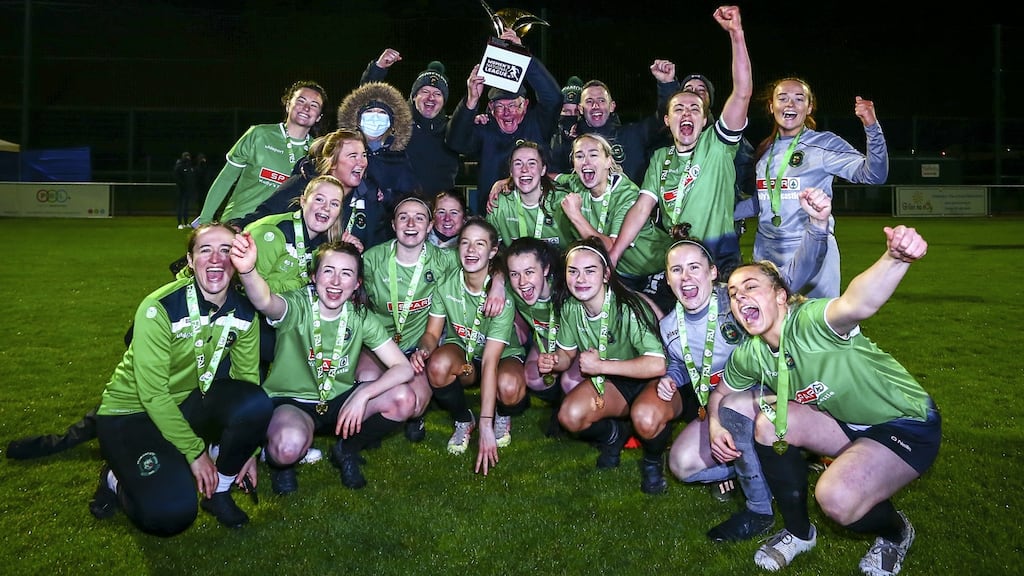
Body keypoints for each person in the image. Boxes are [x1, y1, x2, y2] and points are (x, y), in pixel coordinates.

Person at [720, 225, 937, 575]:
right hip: (846, 422)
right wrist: (717, 425)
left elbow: (856, 303)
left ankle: (896, 532)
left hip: (904, 422)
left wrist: (894, 259)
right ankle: (798, 533)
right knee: (769, 424)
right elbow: (724, 392)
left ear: (780, 296)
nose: (740, 298)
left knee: (835, 497)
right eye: (733, 293)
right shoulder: (751, 353)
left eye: (750, 287)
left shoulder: (809, 321)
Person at [630, 190, 830, 541]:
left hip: (768, 395)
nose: (686, 277)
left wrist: (816, 225)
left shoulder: (736, 300)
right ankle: (749, 468)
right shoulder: (668, 326)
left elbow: (792, 279)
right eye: (676, 270)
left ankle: (761, 505)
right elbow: (682, 364)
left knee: (736, 408)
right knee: (682, 464)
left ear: (712, 273)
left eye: (695, 267)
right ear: (667, 278)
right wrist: (672, 381)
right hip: (717, 406)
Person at [88, 223, 274, 535]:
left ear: (237, 259)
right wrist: (196, 453)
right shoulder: (158, 308)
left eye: (226, 250)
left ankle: (221, 491)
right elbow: (153, 395)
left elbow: (246, 382)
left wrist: (249, 450)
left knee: (255, 402)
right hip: (131, 415)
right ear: (189, 260)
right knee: (171, 515)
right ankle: (115, 478)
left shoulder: (244, 312)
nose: (216, 258)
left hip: (186, 404)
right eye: (205, 250)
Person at [230, 236, 415, 492]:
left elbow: (403, 367)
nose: (336, 282)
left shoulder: (360, 316)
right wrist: (248, 270)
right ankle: (282, 464)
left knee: (404, 398)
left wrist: (364, 392)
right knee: (287, 447)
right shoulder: (298, 306)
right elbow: (265, 301)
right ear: (314, 276)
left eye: (347, 273)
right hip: (293, 402)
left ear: (357, 283)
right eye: (328, 271)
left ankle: (346, 449)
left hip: (339, 399)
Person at [610, 6, 751, 280]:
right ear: (667, 120)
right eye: (679, 109)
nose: (687, 113)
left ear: (704, 119)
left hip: (719, 258)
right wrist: (614, 255)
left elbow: (743, 93)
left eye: (694, 109)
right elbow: (641, 208)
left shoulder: (717, 145)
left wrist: (736, 34)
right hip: (678, 259)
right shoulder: (660, 157)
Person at [752, 77, 889, 297]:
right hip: (767, 252)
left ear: (809, 108)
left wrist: (872, 128)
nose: (790, 104)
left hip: (811, 249)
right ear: (771, 106)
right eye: (782, 98)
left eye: (799, 99)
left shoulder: (824, 145)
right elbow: (761, 203)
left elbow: (874, 175)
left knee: (816, 325)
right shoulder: (764, 150)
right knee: (772, 328)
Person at [538, 238, 666, 470]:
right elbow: (567, 354)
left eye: (590, 271)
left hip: (649, 380)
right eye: (573, 271)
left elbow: (658, 364)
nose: (580, 279)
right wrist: (555, 361)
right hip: (612, 381)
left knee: (646, 418)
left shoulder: (627, 307)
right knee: (569, 416)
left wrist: (601, 367)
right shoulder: (570, 307)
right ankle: (613, 434)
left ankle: (653, 460)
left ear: (606, 274)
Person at [413, 218, 525, 475]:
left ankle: (500, 413)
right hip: (464, 352)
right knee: (438, 365)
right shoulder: (446, 283)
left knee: (508, 386)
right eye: (465, 243)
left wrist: (487, 425)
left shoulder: (501, 296)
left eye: (480, 244)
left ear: (493, 251)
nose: (471, 250)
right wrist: (424, 349)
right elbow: (432, 333)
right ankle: (464, 419)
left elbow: (490, 362)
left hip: (499, 356)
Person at [359, 196, 462, 443]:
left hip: (418, 349)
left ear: (429, 226)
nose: (411, 223)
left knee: (414, 404)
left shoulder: (445, 259)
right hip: (380, 346)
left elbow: (487, 263)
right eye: (403, 217)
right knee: (365, 381)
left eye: (419, 218)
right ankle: (363, 431)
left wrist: (500, 282)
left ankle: (414, 415)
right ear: (393, 225)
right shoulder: (372, 259)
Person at [446, 28, 561, 216]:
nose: (507, 113)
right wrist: (471, 102)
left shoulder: (538, 123)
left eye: (513, 106)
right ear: (490, 109)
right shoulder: (486, 128)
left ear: (525, 105)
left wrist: (523, 56)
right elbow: (455, 142)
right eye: (500, 106)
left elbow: (554, 98)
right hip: (494, 218)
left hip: (539, 215)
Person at [557, 133, 672, 312]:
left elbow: (610, 248)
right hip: (623, 274)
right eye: (579, 156)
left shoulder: (627, 194)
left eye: (593, 155)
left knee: (655, 324)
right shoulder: (577, 183)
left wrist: (575, 216)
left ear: (608, 161)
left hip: (656, 269)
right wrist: (505, 181)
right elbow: (550, 176)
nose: (586, 161)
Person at [232, 129, 390, 252]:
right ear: (332, 163)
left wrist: (358, 253)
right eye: (352, 156)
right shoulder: (304, 184)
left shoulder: (369, 197)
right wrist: (238, 227)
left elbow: (377, 245)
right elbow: (266, 214)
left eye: (364, 155)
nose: (361, 162)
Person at [197, 80, 327, 224]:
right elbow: (226, 178)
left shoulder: (318, 153)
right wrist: (205, 220)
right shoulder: (259, 135)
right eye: (301, 101)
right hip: (238, 224)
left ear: (319, 116)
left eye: (314, 105)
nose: (306, 108)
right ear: (288, 104)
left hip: (279, 235)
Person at [504, 237, 583, 437]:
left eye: (529, 272)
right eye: (515, 274)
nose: (522, 282)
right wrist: (497, 283)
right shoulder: (513, 290)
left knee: (570, 381)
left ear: (545, 269)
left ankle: (571, 406)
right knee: (532, 376)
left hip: (579, 344)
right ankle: (560, 401)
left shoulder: (568, 289)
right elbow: (494, 267)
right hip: (548, 339)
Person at [549, 63, 678, 184]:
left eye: (601, 100)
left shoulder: (633, 136)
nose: (595, 106)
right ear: (581, 109)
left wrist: (667, 84)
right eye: (589, 101)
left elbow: (666, 118)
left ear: (612, 106)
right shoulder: (569, 144)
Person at [361, 49, 461, 195]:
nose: (431, 97)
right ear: (414, 97)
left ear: (444, 101)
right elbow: (367, 100)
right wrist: (378, 68)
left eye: (437, 94)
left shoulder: (453, 130)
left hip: (438, 212)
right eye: (425, 91)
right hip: (399, 210)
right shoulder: (396, 123)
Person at [336, 80, 421, 220]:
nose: (375, 118)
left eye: (381, 112)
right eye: (369, 112)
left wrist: (385, 196)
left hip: (382, 230)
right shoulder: (340, 148)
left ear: (391, 122)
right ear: (358, 120)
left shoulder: (399, 158)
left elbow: (410, 197)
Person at [486, 140, 571, 250]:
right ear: (511, 171)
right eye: (518, 163)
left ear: (543, 170)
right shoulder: (499, 204)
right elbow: (490, 250)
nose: (524, 170)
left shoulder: (563, 202)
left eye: (532, 163)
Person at [553, 75, 582, 149]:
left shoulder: (595, 136)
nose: (572, 115)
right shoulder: (549, 136)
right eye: (566, 111)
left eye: (577, 111)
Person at [174, 152, 197, 229]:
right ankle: (180, 223)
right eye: (186, 157)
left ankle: (186, 222)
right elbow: (177, 178)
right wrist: (183, 186)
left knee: (186, 207)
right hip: (180, 190)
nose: (188, 158)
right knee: (180, 206)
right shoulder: (179, 166)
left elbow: (191, 178)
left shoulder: (189, 166)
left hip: (187, 190)